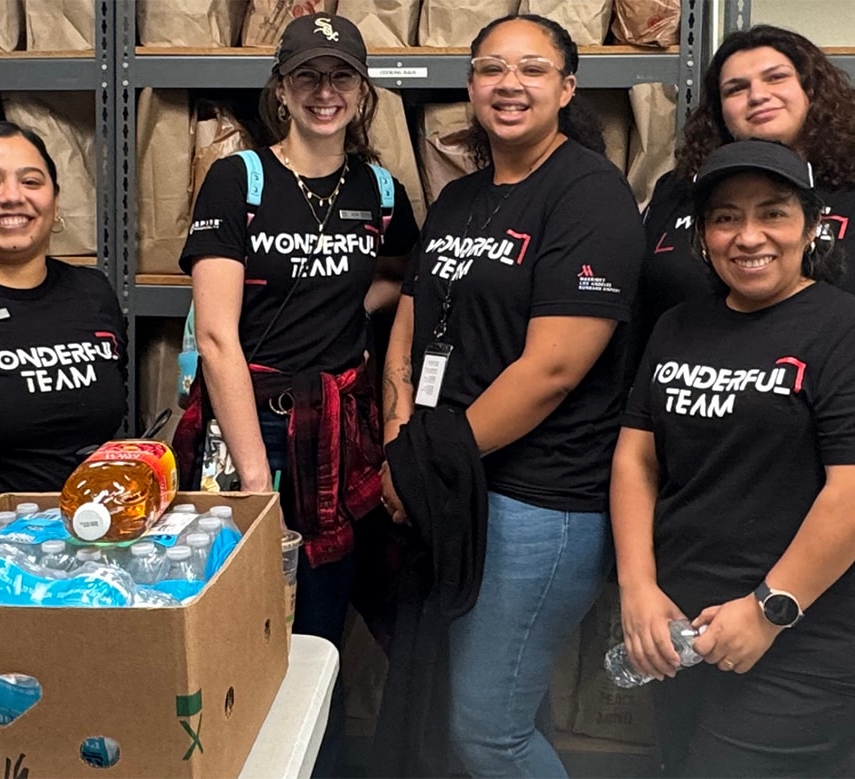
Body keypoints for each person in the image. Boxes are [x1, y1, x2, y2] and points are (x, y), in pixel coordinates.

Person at [378, 14, 644, 777]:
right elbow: (412, 315)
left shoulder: (590, 195)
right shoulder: (461, 199)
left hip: (538, 503)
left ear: (566, 88)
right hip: (455, 483)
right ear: (470, 86)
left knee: (488, 730)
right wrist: (402, 436)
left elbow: (552, 369)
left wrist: (424, 464)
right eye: (492, 68)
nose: (509, 84)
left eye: (532, 69)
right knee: (458, 710)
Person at [611, 139, 855, 778]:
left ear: (810, 225)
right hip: (681, 628)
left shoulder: (840, 329)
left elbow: (850, 490)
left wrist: (772, 606)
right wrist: (638, 587)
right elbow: (638, 459)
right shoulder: (677, 327)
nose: (749, 236)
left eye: (773, 213)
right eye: (725, 218)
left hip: (806, 637)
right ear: (704, 236)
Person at [176, 13, 418, 645]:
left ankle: (321, 745)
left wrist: (347, 306)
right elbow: (216, 337)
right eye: (306, 75)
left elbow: (402, 273)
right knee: (240, 625)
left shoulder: (381, 191)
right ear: (280, 89)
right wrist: (256, 480)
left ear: (363, 93)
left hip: (337, 434)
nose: (324, 90)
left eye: (342, 76)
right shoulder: (239, 182)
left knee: (317, 630)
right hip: (249, 432)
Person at [0, 121, 127, 499]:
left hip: (88, 536)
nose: (11, 197)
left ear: (54, 199)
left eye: (32, 182)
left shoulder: (92, 291)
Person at [637, 24, 855, 352]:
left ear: (812, 89)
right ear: (719, 111)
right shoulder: (681, 187)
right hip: (691, 382)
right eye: (735, 89)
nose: (757, 95)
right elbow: (644, 307)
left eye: (776, 77)